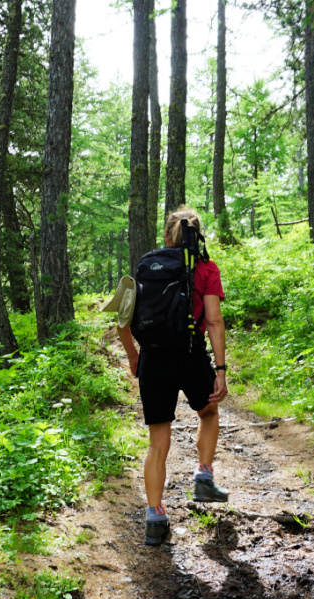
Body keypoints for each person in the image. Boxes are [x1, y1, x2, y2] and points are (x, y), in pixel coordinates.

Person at [118, 206, 229, 546]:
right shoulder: (206, 268)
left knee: (158, 442)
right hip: (191, 356)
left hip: (153, 360)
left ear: (167, 237)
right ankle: (203, 475)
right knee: (208, 412)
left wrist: (135, 357)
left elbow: (122, 321)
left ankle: (154, 516)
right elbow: (213, 321)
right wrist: (221, 370)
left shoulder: (145, 268)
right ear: (198, 237)